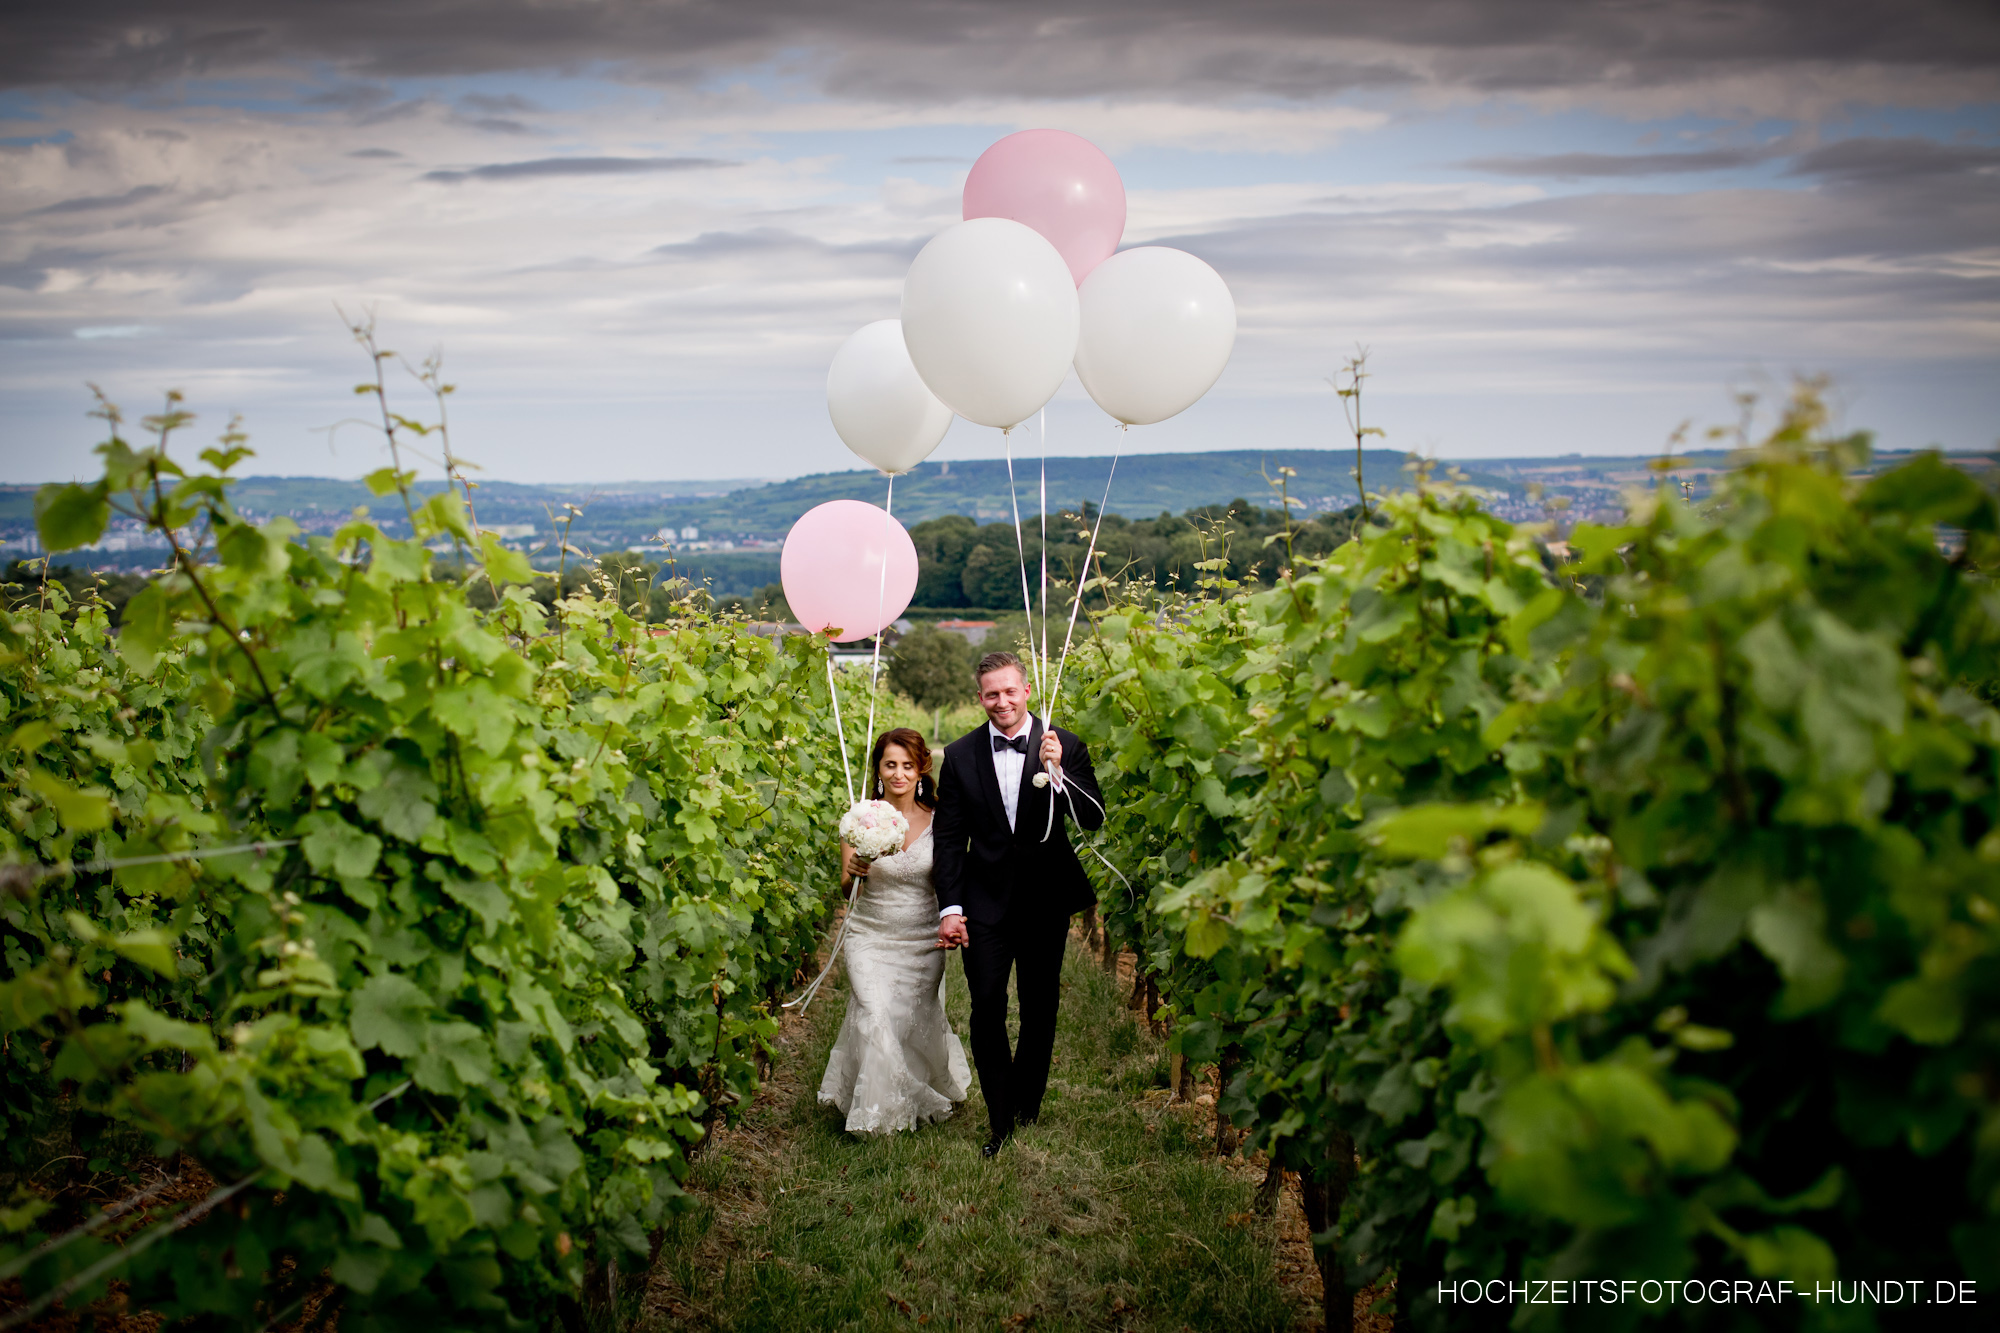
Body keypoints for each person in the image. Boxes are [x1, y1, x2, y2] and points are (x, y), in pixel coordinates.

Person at [932, 651, 1106, 1157]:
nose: (1002, 701)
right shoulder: (960, 755)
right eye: (992, 693)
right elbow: (949, 839)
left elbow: (1093, 818)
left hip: (1044, 900)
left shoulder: (1064, 744)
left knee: (1040, 1006)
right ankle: (1000, 1119)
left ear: (1026, 691)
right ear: (980, 697)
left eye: (1010, 691)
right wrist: (951, 908)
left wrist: (1059, 774)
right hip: (984, 903)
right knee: (987, 1006)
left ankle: (1027, 1102)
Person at [817, 727, 972, 1134]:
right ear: (879, 769)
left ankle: (915, 1087)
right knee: (875, 1013)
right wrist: (855, 872)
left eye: (907, 765)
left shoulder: (943, 820)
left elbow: (950, 882)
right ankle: (879, 1113)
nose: (899, 774)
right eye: (890, 765)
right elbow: (847, 889)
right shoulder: (860, 818)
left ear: (922, 769)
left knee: (910, 1019)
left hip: (922, 939)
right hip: (869, 935)